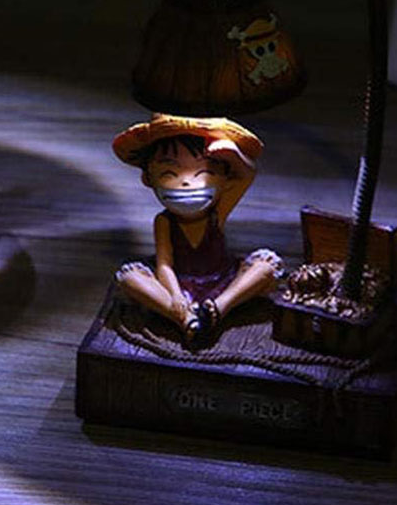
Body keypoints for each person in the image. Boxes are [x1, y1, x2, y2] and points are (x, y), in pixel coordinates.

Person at [112, 113, 281, 346]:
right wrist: (175, 296)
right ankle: (185, 318)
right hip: (177, 284)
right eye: (169, 173)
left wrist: (234, 156)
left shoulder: (216, 213)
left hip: (222, 279)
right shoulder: (164, 222)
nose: (186, 182)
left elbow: (247, 175)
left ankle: (218, 308)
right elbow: (164, 265)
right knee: (129, 278)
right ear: (148, 178)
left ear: (225, 180)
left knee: (266, 266)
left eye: (204, 173)